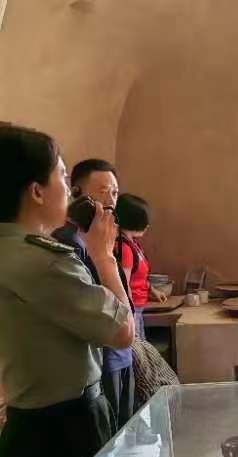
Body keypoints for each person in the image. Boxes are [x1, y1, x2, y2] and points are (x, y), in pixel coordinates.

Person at [0, 125, 134, 457]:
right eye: (61, 175)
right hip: (62, 428)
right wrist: (104, 257)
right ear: (36, 191)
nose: (69, 190)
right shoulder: (42, 260)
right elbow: (122, 331)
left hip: (29, 422)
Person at [52, 159, 134, 431]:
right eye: (102, 192)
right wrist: (103, 256)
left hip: (122, 352)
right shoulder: (67, 242)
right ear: (76, 194)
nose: (110, 201)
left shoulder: (103, 237)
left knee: (127, 429)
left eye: (115, 192)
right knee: (111, 437)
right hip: (101, 358)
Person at [115, 193, 167, 339]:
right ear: (133, 220)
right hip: (132, 310)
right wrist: (129, 315)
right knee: (137, 347)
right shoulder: (124, 248)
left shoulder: (132, 244)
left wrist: (152, 290)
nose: (147, 225)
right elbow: (123, 284)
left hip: (138, 307)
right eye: (144, 221)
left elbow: (137, 276)